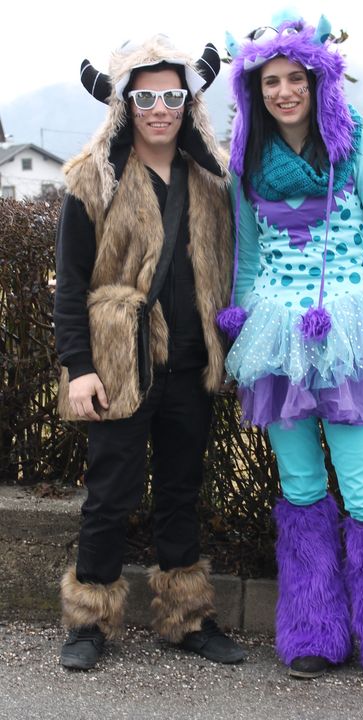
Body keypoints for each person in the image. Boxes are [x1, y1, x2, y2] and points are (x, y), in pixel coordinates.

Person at [218, 14, 363, 688]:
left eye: (296, 78)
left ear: (318, 80)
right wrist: (247, 342)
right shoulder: (246, 157)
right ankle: (313, 629)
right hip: (277, 340)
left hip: (348, 332)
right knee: (301, 485)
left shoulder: (355, 140)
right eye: (270, 81)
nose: (284, 91)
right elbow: (247, 261)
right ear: (254, 90)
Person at [54, 33, 245, 670]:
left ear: (189, 102)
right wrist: (79, 368)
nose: (160, 110)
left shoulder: (213, 177)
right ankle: (88, 620)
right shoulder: (93, 179)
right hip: (119, 368)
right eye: (145, 98)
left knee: (181, 491)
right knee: (110, 494)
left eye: (171, 97)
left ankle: (186, 618)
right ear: (126, 105)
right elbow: (70, 284)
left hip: (193, 366)